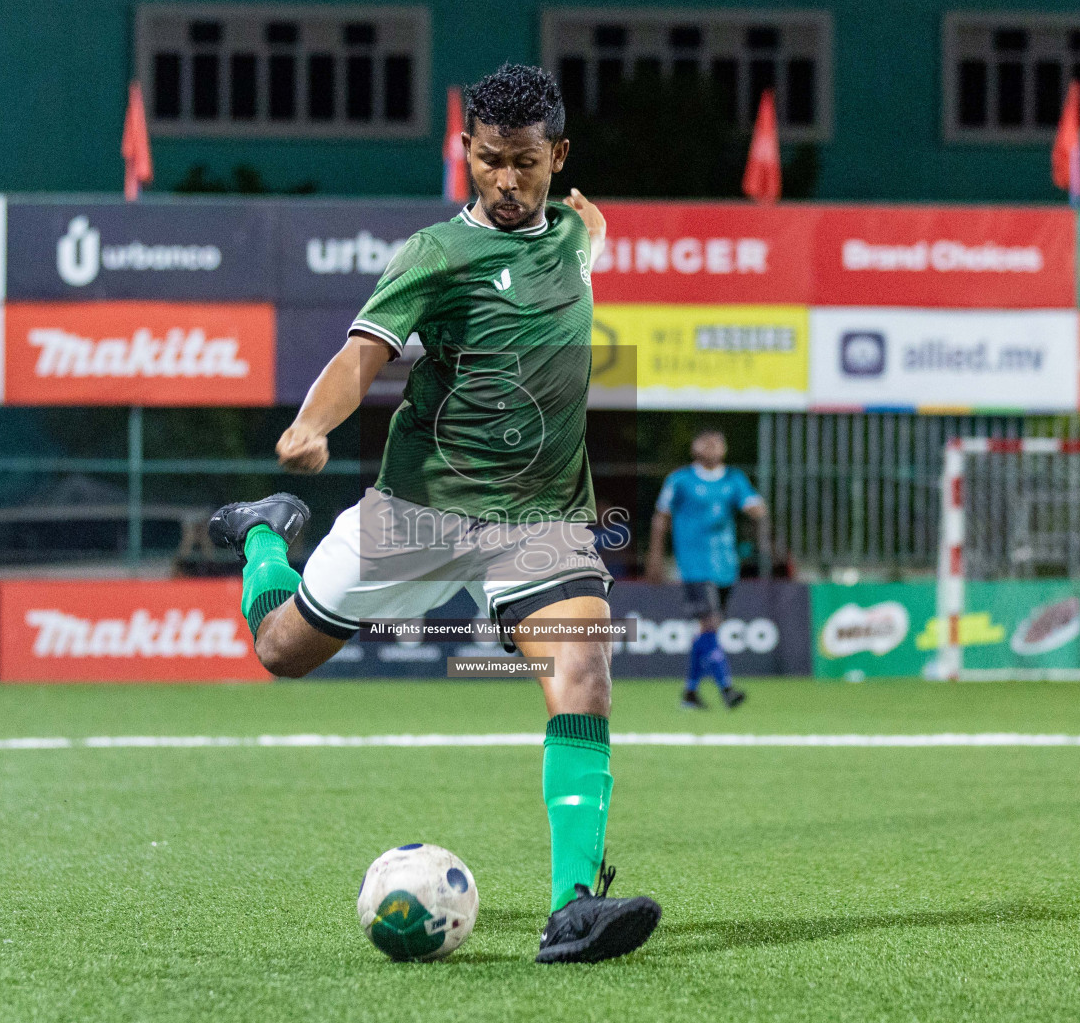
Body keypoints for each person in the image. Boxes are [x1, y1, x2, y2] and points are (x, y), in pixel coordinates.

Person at [208, 64, 660, 964]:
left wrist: (591, 232)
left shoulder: (573, 233)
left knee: (585, 670)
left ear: (557, 156)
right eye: (488, 160)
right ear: (466, 153)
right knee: (281, 652)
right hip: (424, 510)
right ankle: (265, 533)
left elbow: (579, 244)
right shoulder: (434, 255)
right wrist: (309, 426)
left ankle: (573, 906)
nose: (505, 180)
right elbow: (361, 355)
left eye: (525, 163)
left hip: (543, 518)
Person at [646, 430, 766, 710]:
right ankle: (726, 688)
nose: (712, 447)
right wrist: (655, 557)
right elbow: (660, 518)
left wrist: (758, 512)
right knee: (710, 623)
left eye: (717, 443)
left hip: (725, 564)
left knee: (707, 630)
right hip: (694, 564)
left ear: (724, 449)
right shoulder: (681, 480)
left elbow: (753, 506)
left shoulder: (734, 479)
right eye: (705, 442)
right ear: (694, 447)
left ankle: (690, 693)